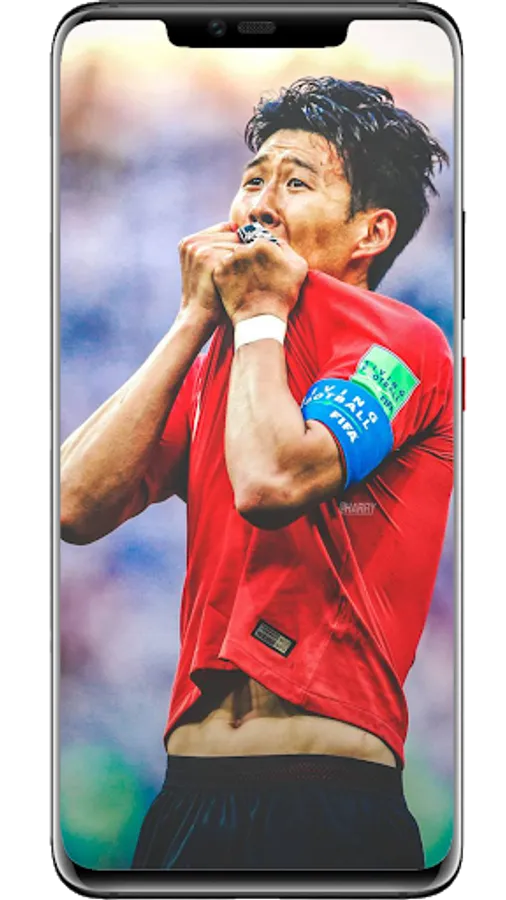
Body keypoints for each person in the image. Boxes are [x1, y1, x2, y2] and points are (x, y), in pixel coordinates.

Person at [60, 77, 453, 871]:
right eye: (252, 180)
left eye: (296, 183)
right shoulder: (226, 355)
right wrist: (193, 319)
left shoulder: (405, 343)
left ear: (371, 231)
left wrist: (262, 316)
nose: (260, 204)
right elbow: (73, 505)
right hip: (188, 795)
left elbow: (272, 483)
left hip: (328, 794)